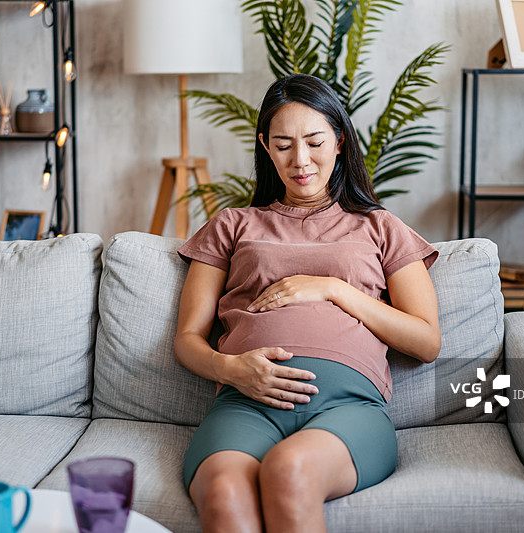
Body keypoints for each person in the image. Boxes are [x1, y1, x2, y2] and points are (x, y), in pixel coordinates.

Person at [174, 73, 441, 533]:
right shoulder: (232, 225)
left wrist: (333, 288)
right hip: (246, 401)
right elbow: (186, 338)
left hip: (349, 406)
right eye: (283, 145)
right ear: (265, 146)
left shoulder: (380, 227)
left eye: (315, 142)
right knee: (223, 493)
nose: (300, 160)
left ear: (339, 141)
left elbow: (426, 341)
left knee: (289, 471)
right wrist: (230, 369)